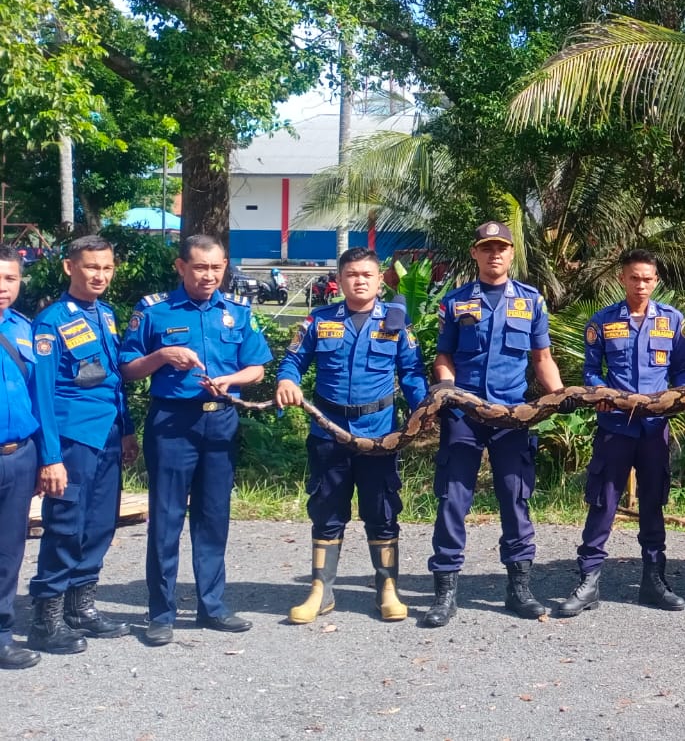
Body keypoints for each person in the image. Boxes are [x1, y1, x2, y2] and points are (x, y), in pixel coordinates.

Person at [120, 235, 271, 645]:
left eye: (216, 267)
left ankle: (212, 606)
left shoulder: (237, 311)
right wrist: (162, 356)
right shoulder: (154, 311)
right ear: (181, 267)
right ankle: (161, 613)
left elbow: (256, 367)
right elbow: (128, 368)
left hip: (220, 420)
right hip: (172, 422)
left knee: (213, 516)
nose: (209, 276)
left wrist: (231, 380)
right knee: (166, 518)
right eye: (201, 267)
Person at [276, 247, 428, 624]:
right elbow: (293, 360)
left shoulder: (395, 322)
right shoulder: (318, 321)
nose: (359, 281)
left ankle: (387, 587)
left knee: (382, 511)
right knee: (327, 510)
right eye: (352, 275)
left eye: (367, 275)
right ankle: (320, 590)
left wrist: (423, 411)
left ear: (380, 281)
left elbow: (411, 372)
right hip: (329, 431)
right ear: (340, 281)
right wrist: (286, 380)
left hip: (379, 435)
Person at [425, 220, 564, 628]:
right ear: (476, 253)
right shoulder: (454, 302)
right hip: (464, 414)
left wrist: (557, 397)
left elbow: (542, 359)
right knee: (453, 498)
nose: (495, 254)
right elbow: (443, 357)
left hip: (512, 416)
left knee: (513, 497)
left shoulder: (531, 301)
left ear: (511, 252)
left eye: (501, 247)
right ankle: (445, 593)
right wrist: (447, 390)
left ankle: (518, 588)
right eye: (487, 248)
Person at [556, 250, 685, 617]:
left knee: (653, 502)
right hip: (615, 426)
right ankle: (588, 581)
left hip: (653, 429)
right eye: (634, 277)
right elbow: (591, 370)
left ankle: (654, 581)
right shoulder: (602, 322)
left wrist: (677, 399)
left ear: (656, 281)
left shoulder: (672, 321)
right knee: (603, 503)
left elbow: (681, 371)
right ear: (622, 279)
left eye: (647, 278)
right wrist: (600, 394)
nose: (641, 284)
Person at [28, 236, 137, 652]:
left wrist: (127, 429)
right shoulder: (51, 322)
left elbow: (113, 380)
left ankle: (80, 607)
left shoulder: (106, 315)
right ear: (69, 268)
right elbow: (42, 394)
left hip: (107, 435)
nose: (101, 276)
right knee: (65, 525)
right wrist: (50, 457)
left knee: (100, 524)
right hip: (73, 440)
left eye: (107, 268)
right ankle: (46, 618)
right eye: (92, 267)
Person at [0, 245, 65, 668]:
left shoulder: (25, 331)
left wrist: (48, 458)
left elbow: (41, 401)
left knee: (8, 552)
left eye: (10, 278)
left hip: (17, 457)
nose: (2, 287)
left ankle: (2, 635)